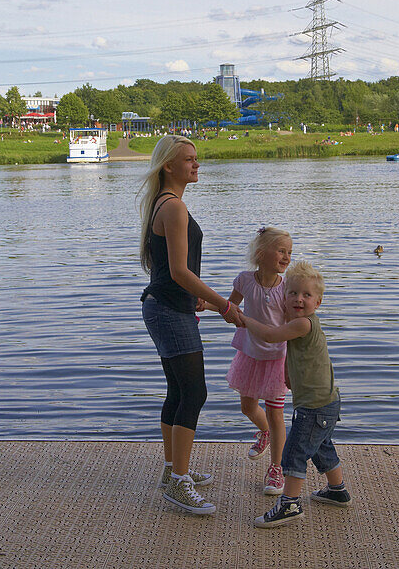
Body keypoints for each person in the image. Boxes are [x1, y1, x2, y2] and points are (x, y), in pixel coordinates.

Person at [138, 134, 242, 516]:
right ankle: (178, 483)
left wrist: (196, 298)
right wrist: (224, 305)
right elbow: (180, 271)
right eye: (189, 160)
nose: (197, 165)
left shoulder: (165, 204)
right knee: (194, 393)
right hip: (167, 310)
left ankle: (171, 471)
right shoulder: (174, 207)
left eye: (197, 159)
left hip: (166, 305)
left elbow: (170, 271)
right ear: (169, 166)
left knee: (179, 391)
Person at [233, 261, 352, 528]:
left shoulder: (303, 325)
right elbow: (292, 351)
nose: (299, 298)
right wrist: (287, 372)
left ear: (318, 302)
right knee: (322, 447)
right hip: (326, 402)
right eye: (292, 293)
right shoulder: (300, 324)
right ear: (284, 298)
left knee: (295, 453)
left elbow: (271, 335)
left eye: (306, 295)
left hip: (315, 405)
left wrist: (243, 318)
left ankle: (290, 504)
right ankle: (337, 490)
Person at [224, 226, 293, 496]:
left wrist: (294, 363)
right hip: (250, 356)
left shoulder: (288, 287)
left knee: (276, 414)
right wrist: (205, 304)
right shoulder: (244, 280)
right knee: (247, 407)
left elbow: (294, 322)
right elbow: (231, 308)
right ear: (261, 254)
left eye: (290, 252)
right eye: (281, 251)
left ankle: (276, 469)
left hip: (278, 359)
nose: (287, 257)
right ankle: (264, 432)